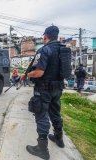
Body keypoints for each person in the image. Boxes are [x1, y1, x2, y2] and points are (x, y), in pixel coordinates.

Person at [21, 25, 65, 160]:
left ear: (45, 36)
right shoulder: (63, 50)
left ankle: (42, 149)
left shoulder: (45, 50)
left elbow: (39, 72)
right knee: (55, 112)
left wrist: (27, 75)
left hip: (44, 89)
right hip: (58, 88)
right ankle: (59, 138)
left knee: (41, 115)